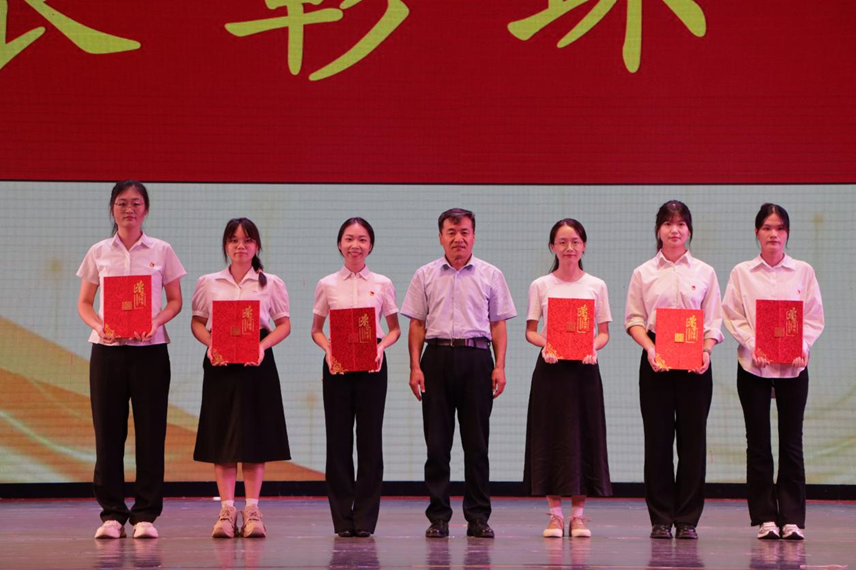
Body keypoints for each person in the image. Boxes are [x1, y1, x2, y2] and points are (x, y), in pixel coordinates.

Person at [77, 180, 186, 539]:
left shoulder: (162, 250)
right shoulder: (98, 251)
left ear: (146, 210)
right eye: (122, 203)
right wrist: (100, 326)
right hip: (107, 352)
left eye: (136, 203)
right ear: (112, 209)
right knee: (108, 432)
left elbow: (175, 300)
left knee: (151, 432)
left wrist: (155, 322)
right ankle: (111, 514)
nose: (129, 209)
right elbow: (84, 303)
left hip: (150, 352)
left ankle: (145, 516)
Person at [401, 208, 517, 539]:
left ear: (474, 236)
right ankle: (438, 517)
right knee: (437, 445)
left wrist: (500, 365)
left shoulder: (491, 274)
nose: (458, 238)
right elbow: (417, 324)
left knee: (477, 444)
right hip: (436, 359)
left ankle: (478, 517)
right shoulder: (425, 274)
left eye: (464, 232)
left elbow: (498, 325)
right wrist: (414, 366)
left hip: (477, 359)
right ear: (441, 237)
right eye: (451, 232)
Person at [722, 203, 823, 541]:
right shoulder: (742, 273)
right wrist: (754, 344)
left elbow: (813, 317)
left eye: (779, 228)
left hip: (793, 368)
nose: (773, 234)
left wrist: (802, 345)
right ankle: (765, 518)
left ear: (787, 233)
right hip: (754, 367)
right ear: (757, 233)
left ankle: (792, 519)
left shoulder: (803, 272)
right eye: (767, 228)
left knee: (792, 442)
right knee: (758, 443)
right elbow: (732, 315)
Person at [624, 200, 723, 540]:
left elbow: (713, 321)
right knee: (658, 440)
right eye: (668, 223)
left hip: (696, 358)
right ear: (658, 230)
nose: (675, 230)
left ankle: (687, 519)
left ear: (689, 230)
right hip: (656, 356)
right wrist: (650, 348)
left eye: (681, 224)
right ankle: (661, 518)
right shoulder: (643, 273)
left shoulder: (705, 272)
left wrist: (706, 350)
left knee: (693, 441)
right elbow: (634, 319)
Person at [191, 218, 291, 539]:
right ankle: (226, 510)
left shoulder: (270, 283)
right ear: (225, 245)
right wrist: (212, 344)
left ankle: (252, 510)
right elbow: (197, 322)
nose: (240, 246)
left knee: (254, 436)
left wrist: (262, 346)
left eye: (247, 240)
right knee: (223, 435)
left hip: (256, 362)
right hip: (220, 363)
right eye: (234, 240)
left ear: (257, 245)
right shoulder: (208, 282)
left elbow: (284, 325)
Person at [310, 217, 401, 538]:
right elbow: (316, 330)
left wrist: (381, 347)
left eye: (362, 239)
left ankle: (364, 519)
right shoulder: (327, 284)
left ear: (370, 245)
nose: (355, 245)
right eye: (349, 239)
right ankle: (342, 519)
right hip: (336, 366)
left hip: (372, 366)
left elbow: (395, 329)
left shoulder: (383, 283)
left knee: (370, 441)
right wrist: (328, 349)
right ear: (339, 244)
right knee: (337, 441)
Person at [523, 219, 612, 539]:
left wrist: (591, 347)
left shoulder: (596, 285)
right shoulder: (541, 285)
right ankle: (555, 516)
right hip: (551, 370)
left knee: (583, 437)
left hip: (584, 371)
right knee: (550, 437)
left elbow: (603, 333)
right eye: (562, 242)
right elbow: (531, 331)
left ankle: (579, 517)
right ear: (552, 247)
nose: (569, 247)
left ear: (584, 246)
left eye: (574, 241)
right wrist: (546, 344)